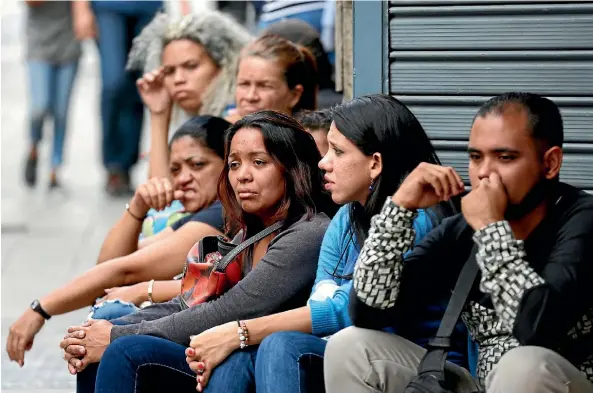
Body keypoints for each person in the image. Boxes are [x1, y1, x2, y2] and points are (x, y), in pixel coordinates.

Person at [179, 94, 465, 393]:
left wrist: (239, 332)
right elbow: (323, 301)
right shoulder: (345, 218)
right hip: (349, 355)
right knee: (237, 358)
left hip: (425, 370)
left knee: (280, 344)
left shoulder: (418, 218)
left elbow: (348, 308)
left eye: (337, 152)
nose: (323, 162)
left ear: (375, 163)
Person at [324, 92, 593, 393]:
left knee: (523, 365)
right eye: (476, 157)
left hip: (560, 381)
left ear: (550, 163)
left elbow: (537, 327)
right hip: (480, 385)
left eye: (505, 157)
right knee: (351, 347)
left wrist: (492, 229)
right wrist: (399, 208)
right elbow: (370, 310)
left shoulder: (581, 221)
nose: (484, 172)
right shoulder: (463, 230)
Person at [58, 111, 332, 393]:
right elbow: (190, 301)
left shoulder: (307, 233)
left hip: (262, 366)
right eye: (234, 164)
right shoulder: (250, 234)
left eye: (259, 162)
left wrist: (116, 335)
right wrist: (96, 332)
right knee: (95, 348)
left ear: (292, 168)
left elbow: (229, 309)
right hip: (216, 354)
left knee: (123, 349)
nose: (242, 176)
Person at [6, 116, 230, 367]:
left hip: (212, 347)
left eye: (197, 165)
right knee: (100, 327)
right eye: (175, 169)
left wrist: (40, 309)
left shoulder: (219, 214)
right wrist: (137, 208)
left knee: (106, 322)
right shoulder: (202, 213)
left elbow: (124, 271)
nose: (183, 178)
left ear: (228, 165)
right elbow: (111, 263)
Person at [71, 0, 162, 195]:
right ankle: (113, 163)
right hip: (108, 7)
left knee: (140, 87)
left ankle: (126, 166)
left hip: (148, 8)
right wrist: (81, 8)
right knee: (113, 83)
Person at [23, 1, 81, 189]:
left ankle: (55, 168)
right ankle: (33, 147)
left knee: (61, 111)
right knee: (39, 107)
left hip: (69, 43)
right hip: (39, 45)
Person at [225, 33, 318, 123]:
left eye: (264, 86)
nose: (250, 96)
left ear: (294, 96)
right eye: (244, 84)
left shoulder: (314, 138)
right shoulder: (221, 134)